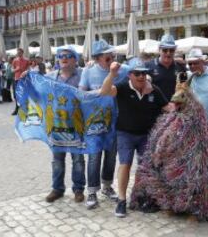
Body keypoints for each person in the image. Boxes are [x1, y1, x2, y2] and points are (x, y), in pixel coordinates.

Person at [96, 58, 169, 218]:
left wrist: (185, 100)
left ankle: (141, 196)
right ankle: (122, 200)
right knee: (125, 164)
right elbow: (104, 92)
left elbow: (168, 107)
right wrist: (112, 73)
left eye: (143, 73)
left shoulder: (153, 90)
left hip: (146, 135)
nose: (141, 77)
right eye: (137, 73)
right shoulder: (122, 87)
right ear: (130, 75)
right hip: (125, 134)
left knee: (145, 167)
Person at [79, 39, 130, 209]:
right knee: (94, 156)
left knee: (110, 155)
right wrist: (100, 92)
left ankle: (107, 186)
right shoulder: (88, 71)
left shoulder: (120, 71)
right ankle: (92, 190)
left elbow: (136, 71)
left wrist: (148, 74)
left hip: (116, 121)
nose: (111, 60)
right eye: (107, 57)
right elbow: (81, 94)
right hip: (94, 121)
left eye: (112, 56)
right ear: (98, 58)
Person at [44, 46, 86, 203]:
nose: (64, 58)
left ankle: (78, 189)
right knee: (57, 160)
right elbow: (38, 92)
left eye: (68, 55)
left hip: (77, 126)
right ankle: (57, 188)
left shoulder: (83, 75)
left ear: (75, 59)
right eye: (61, 55)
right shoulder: (50, 77)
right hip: (56, 126)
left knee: (78, 160)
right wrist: (27, 77)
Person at [145, 34, 186, 101]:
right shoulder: (148, 66)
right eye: (165, 50)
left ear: (175, 51)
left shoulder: (180, 67)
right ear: (159, 50)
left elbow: (184, 88)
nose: (168, 53)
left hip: (175, 107)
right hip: (155, 108)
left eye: (171, 50)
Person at [11, 48, 29, 115]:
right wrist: (16, 69)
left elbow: (28, 69)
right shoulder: (15, 60)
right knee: (16, 95)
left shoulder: (26, 60)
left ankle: (24, 109)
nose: (18, 54)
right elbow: (12, 70)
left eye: (19, 52)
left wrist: (26, 72)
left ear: (22, 53)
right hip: (17, 79)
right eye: (17, 52)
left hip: (24, 79)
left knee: (24, 94)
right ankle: (17, 109)